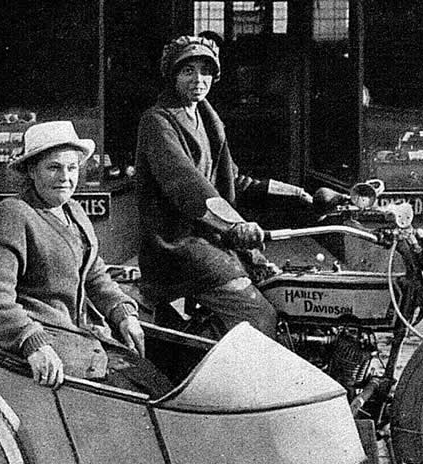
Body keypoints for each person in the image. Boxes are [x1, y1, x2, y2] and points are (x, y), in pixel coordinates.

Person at [0, 120, 171, 395]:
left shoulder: (75, 213)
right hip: (37, 333)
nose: (65, 177)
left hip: (71, 330)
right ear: (31, 171)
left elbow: (94, 275)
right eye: (54, 167)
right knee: (127, 391)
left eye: (72, 168)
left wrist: (122, 313)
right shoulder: (12, 215)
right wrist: (31, 342)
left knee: (151, 377)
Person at [134, 35, 314, 340]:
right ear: (172, 75)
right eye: (187, 71)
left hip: (210, 241)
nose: (198, 79)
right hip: (177, 245)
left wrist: (293, 193)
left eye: (205, 71)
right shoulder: (157, 121)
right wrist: (235, 226)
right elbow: (187, 186)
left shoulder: (206, 118)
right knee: (257, 314)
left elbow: (234, 180)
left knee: (282, 290)